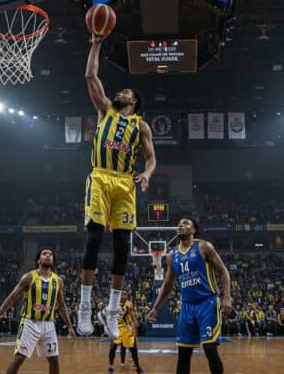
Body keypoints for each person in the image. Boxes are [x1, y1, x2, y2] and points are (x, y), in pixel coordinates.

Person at [78, 33, 157, 339]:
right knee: (94, 239)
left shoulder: (141, 126)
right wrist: (96, 42)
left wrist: (147, 174)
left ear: (134, 101)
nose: (120, 92)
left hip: (125, 184)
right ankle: (85, 305)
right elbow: (90, 74)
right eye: (120, 90)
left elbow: (151, 159)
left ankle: (111, 311)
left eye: (126, 91)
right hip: (100, 176)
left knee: (123, 247)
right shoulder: (105, 110)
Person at [147, 217, 232, 374]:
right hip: (186, 307)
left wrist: (227, 297)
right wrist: (155, 308)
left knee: (209, 348)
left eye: (185, 223)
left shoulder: (203, 247)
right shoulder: (172, 255)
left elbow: (223, 271)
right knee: (183, 353)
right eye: (179, 223)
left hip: (207, 302)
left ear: (193, 230)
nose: (180, 225)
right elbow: (167, 285)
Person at [0, 248, 75, 374]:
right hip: (30, 323)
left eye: (50, 254)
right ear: (38, 260)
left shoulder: (58, 281)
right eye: (44, 254)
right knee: (19, 358)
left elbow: (61, 305)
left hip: (49, 325)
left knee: (54, 360)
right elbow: (12, 297)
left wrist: (69, 326)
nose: (48, 256)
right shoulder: (29, 277)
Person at [107, 291, 144, 374]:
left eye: (125, 294)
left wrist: (135, 327)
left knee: (134, 350)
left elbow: (134, 318)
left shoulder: (129, 304)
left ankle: (138, 368)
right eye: (122, 294)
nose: (124, 296)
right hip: (116, 329)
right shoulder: (113, 304)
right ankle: (110, 368)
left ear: (127, 296)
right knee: (112, 349)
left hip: (128, 330)